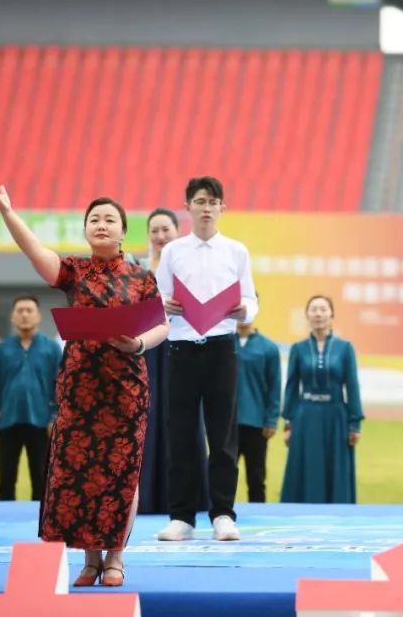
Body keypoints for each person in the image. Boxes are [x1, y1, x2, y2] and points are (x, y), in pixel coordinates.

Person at [0, 179, 168, 587]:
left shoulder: (142, 277)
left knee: (121, 471)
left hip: (126, 388)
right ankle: (89, 559)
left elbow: (162, 326)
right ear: (86, 228)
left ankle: (116, 557)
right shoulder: (74, 271)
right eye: (94, 219)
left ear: (123, 230)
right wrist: (8, 214)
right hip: (80, 387)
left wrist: (137, 344)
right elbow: (35, 253)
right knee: (81, 471)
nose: (101, 225)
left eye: (109, 219)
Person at [155, 176, 258, 543]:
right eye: (200, 201)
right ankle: (181, 516)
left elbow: (251, 301)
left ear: (222, 208)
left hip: (220, 348)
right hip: (182, 349)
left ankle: (223, 514)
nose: (206, 208)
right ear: (188, 207)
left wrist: (244, 309)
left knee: (223, 435)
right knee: (181, 434)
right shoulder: (173, 252)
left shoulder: (236, 251)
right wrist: (164, 305)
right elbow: (158, 297)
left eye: (213, 202)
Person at [136, 208, 209, 515]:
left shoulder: (193, 265)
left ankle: (188, 499)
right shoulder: (136, 269)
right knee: (147, 419)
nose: (160, 236)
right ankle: (147, 498)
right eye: (154, 230)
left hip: (184, 348)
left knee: (186, 420)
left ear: (178, 231)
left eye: (165, 229)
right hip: (147, 352)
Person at [281, 295, 363, 503]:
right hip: (305, 415)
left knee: (335, 466)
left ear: (331, 315)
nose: (318, 314)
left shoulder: (345, 348)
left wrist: (354, 424)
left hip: (336, 415)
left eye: (323, 309)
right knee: (307, 465)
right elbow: (292, 386)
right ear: (307, 315)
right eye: (314, 309)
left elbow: (352, 385)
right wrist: (288, 423)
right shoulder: (298, 349)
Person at [0, 295, 61, 502]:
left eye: (29, 310)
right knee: (6, 479)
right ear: (12, 317)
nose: (25, 315)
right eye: (20, 311)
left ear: (38, 316)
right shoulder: (1, 350)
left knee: (41, 479)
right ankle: (3, 523)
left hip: (42, 422)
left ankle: (38, 526)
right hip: (8, 421)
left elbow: (60, 386)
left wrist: (55, 417)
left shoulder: (52, 349)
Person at [236, 308, 281, 503]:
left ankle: (259, 516)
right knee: (222, 474)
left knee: (256, 476)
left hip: (257, 424)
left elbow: (274, 386)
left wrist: (271, 419)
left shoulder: (268, 348)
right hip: (226, 423)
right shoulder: (223, 343)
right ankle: (220, 514)